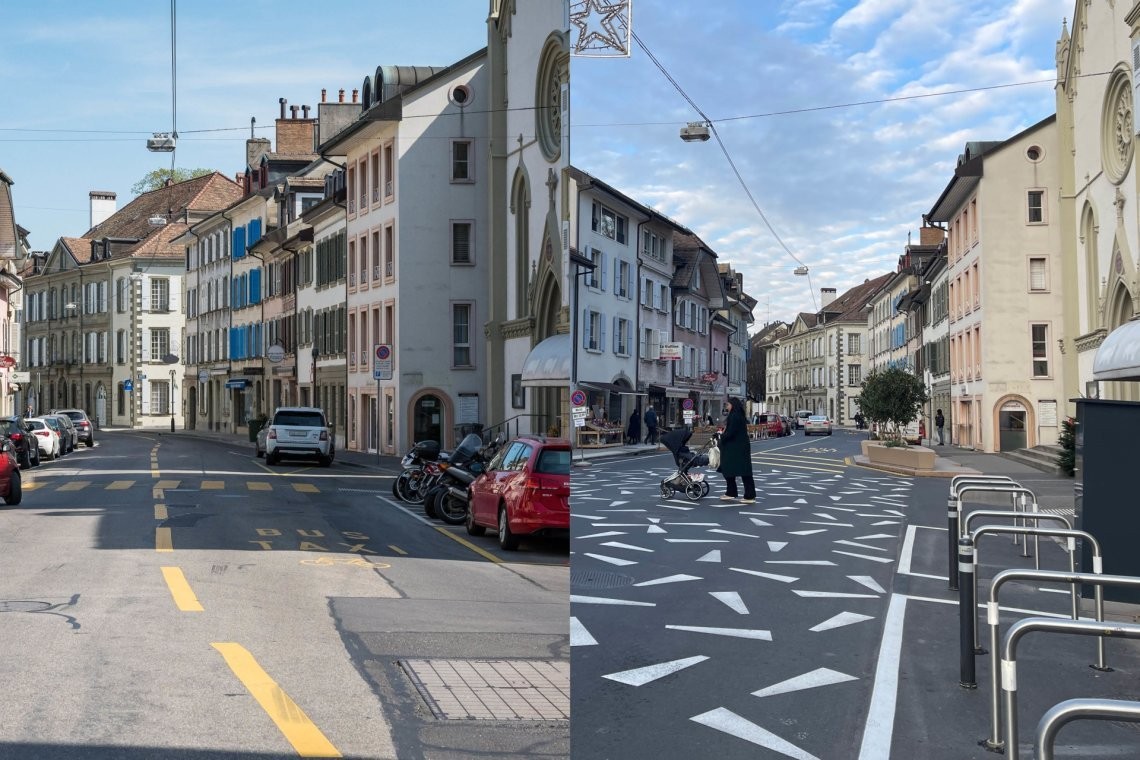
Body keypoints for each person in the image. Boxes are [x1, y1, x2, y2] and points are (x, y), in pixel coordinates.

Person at [717, 397, 756, 503]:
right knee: (744, 471)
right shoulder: (739, 415)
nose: (727, 407)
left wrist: (721, 437)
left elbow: (730, 433)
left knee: (729, 469)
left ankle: (738, 493)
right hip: (740, 447)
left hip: (734, 448)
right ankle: (746, 494)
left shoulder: (734, 416)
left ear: (732, 405)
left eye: (728, 405)